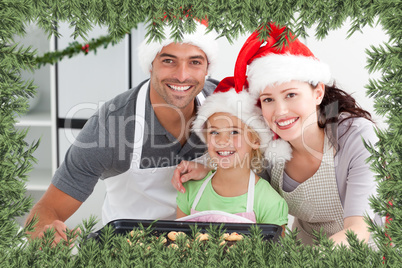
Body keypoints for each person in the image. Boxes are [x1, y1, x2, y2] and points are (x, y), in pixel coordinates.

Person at [172, 23, 381, 247]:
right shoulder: (270, 147)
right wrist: (207, 169)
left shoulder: (357, 136)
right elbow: (238, 167)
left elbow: (359, 230)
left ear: (318, 92)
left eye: (291, 94)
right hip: (302, 249)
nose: (280, 111)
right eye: (268, 99)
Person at [25, 20, 220, 244]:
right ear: (151, 65)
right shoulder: (111, 126)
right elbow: (47, 209)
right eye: (168, 60)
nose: (182, 75)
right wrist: (44, 232)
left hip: (208, 246)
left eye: (195, 62)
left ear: (207, 68)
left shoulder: (226, 104)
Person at [175, 85, 290, 232]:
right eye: (214, 132)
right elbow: (177, 244)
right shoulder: (190, 190)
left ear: (256, 140)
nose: (222, 141)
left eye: (234, 132)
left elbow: (273, 254)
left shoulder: (269, 202)